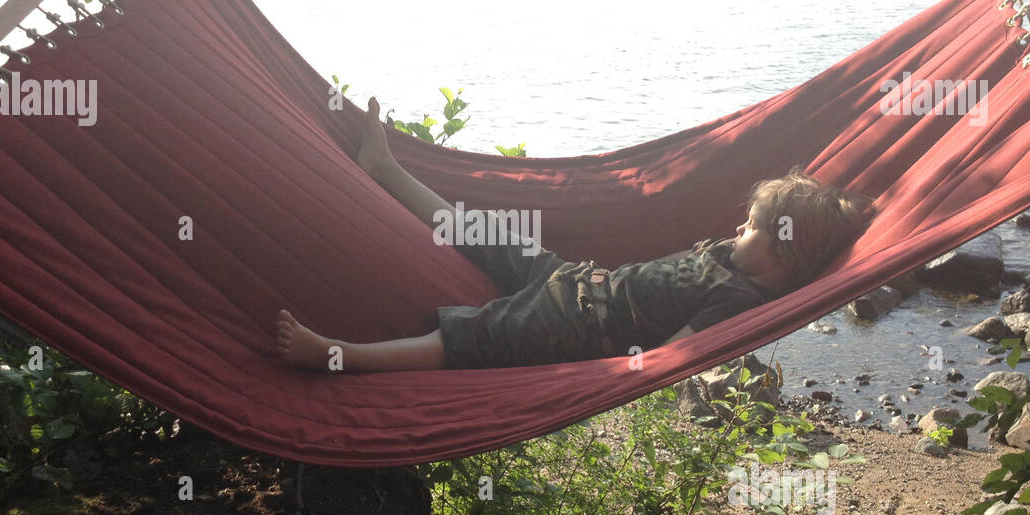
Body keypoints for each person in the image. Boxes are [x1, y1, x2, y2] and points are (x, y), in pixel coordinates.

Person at [277, 98, 872, 371]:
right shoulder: (737, 263)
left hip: (577, 327)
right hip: (576, 278)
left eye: (752, 226)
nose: (738, 227)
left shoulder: (739, 298)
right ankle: (386, 171)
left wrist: (601, 377)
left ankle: (338, 355)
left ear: (780, 250)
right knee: (483, 230)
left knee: (472, 337)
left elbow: (676, 355)